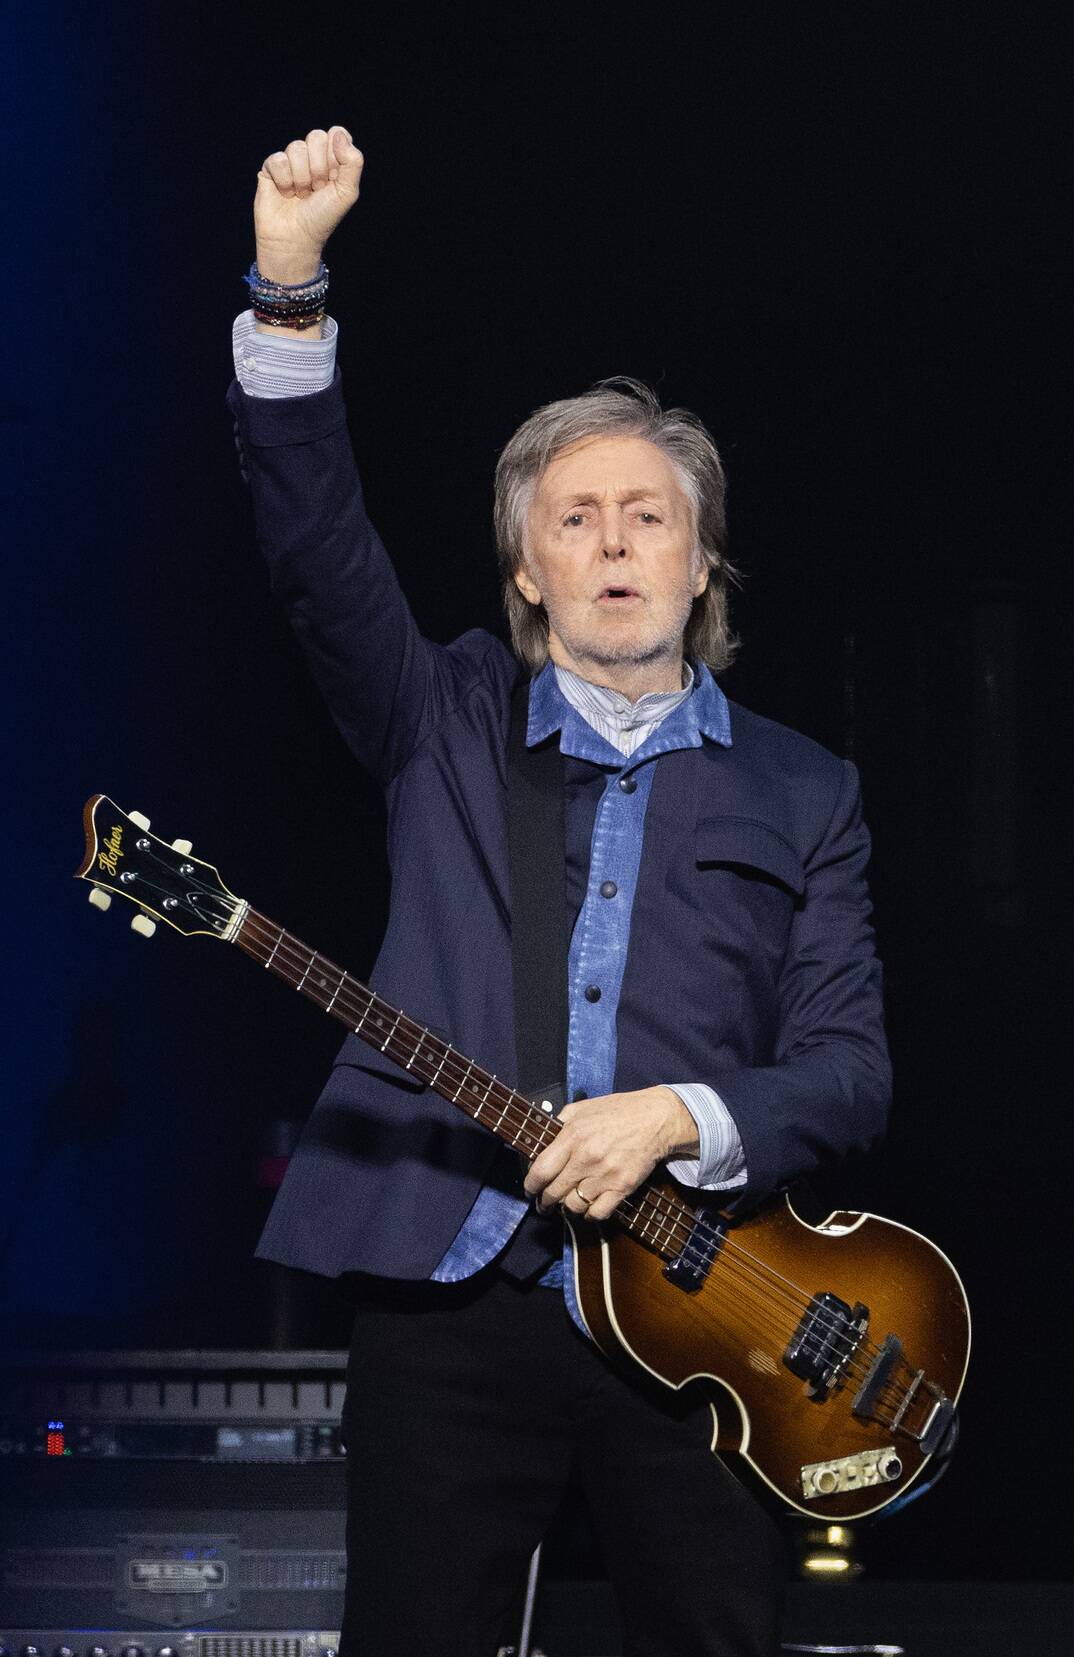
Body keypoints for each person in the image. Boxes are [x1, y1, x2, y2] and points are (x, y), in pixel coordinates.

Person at [229, 126, 891, 1657]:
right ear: (525, 569)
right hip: (450, 1297)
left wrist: (676, 1117)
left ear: (702, 560)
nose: (613, 541)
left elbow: (849, 1071)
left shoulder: (807, 789)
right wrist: (287, 285)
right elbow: (317, 544)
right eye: (573, 518)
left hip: (705, 1317)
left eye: (649, 514)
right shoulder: (440, 715)